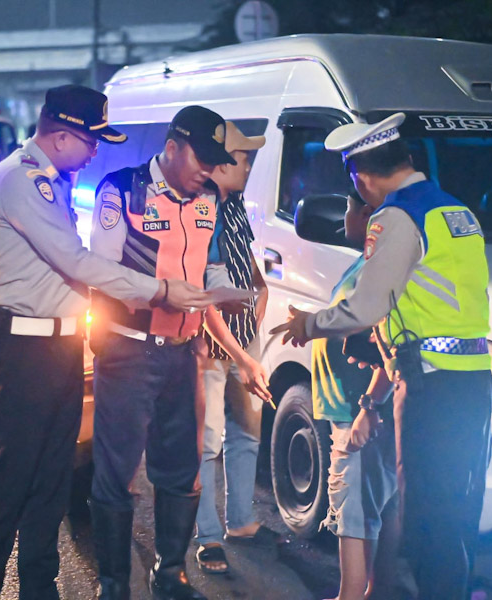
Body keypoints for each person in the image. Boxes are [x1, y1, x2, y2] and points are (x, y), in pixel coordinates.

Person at [0, 85, 210, 600]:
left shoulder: (51, 178)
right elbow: (76, 261)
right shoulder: (20, 179)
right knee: (8, 487)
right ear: (58, 135)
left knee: (51, 484)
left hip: (60, 349)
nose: (97, 152)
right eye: (90, 141)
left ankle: (40, 590)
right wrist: (159, 290)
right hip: (22, 352)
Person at [271, 112, 492, 600]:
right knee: (455, 517)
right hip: (472, 377)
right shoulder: (456, 211)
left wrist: (308, 325)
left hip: (429, 386)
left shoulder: (397, 215)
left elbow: (368, 305)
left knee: (426, 524)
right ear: (408, 159)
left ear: (361, 177)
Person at [88, 105, 239, 600]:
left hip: (183, 353)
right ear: (172, 147)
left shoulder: (210, 199)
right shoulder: (121, 188)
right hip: (128, 351)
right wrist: (159, 291)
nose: (209, 171)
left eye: (217, 161)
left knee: (181, 469)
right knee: (117, 473)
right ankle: (113, 585)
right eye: (203, 158)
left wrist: (226, 289)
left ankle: (169, 575)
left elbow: (208, 263)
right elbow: (102, 271)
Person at [193, 121, 276, 576]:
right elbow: (205, 295)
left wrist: (260, 298)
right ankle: (206, 536)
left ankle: (241, 521)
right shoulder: (201, 211)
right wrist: (240, 352)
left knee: (246, 431)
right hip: (210, 344)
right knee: (207, 442)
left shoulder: (237, 206)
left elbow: (249, 271)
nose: (249, 165)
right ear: (221, 163)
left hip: (244, 336)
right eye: (243, 158)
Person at [310, 191, 399, 600]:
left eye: (348, 208)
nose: (344, 217)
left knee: (355, 513)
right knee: (369, 507)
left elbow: (389, 347)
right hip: (352, 406)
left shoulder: (380, 268)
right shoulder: (370, 261)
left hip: (358, 407)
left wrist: (369, 405)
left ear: (368, 214)